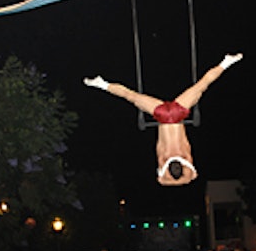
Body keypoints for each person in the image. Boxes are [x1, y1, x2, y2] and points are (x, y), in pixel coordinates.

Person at [83, 53, 243, 186]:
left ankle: (226, 62)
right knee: (130, 96)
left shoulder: (186, 157)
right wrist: (168, 172)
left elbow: (191, 177)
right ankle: (101, 84)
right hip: (162, 116)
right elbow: (161, 180)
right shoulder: (163, 158)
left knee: (202, 85)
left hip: (179, 113)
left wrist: (182, 175)